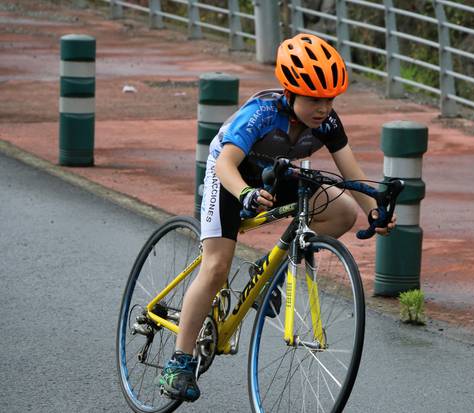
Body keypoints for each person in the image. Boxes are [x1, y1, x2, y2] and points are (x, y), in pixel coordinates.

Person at [158, 33, 397, 402]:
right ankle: (180, 360)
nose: (323, 107)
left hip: (278, 175)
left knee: (342, 211)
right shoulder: (262, 114)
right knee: (217, 265)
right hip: (231, 179)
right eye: (314, 98)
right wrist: (245, 194)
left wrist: (374, 210)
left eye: (330, 99)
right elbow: (225, 162)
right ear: (291, 93)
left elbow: (352, 175)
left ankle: (271, 273)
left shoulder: (328, 123)